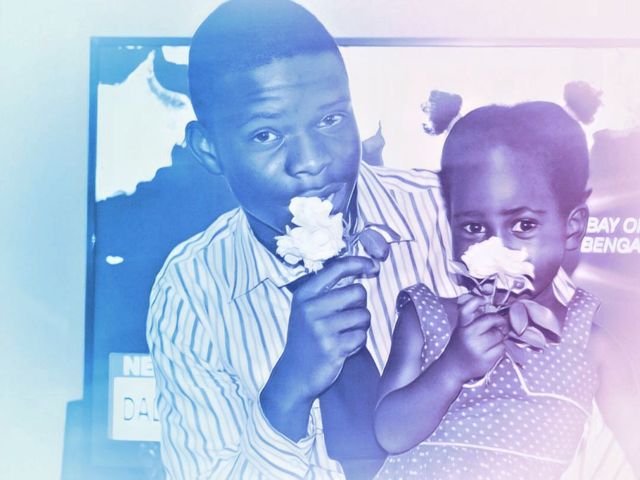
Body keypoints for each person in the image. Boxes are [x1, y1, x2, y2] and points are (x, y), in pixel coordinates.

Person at [146, 1, 470, 478]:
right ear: (208, 148)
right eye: (266, 135)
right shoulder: (192, 291)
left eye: (330, 120)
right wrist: (289, 391)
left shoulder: (451, 217)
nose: (312, 161)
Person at [373, 102, 640, 479]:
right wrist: (452, 367)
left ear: (573, 227)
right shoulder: (429, 316)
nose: (496, 247)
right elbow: (388, 435)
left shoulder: (590, 344)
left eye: (524, 225)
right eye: (473, 228)